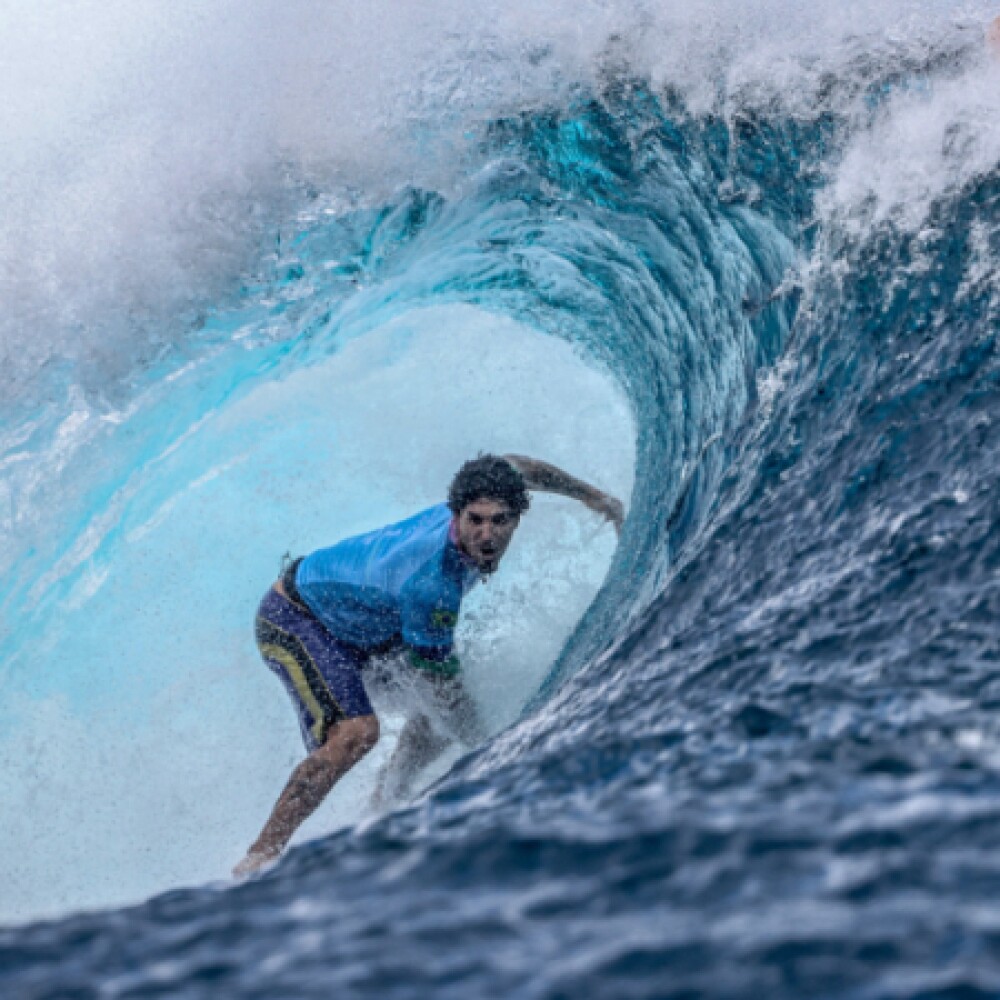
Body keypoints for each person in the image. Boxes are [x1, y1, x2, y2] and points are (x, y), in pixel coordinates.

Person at [233, 453, 624, 876]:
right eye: (475, 520)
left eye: (499, 521)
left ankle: (384, 802)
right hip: (295, 620)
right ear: (457, 514)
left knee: (436, 718)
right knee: (356, 734)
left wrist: (593, 497)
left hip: (372, 626)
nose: (487, 534)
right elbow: (445, 690)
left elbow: (515, 466)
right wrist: (492, 747)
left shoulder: (489, 496)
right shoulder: (432, 585)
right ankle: (258, 858)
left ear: (517, 515)